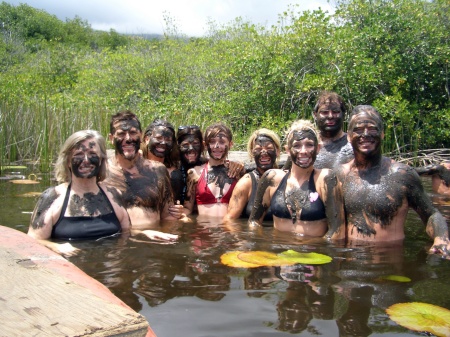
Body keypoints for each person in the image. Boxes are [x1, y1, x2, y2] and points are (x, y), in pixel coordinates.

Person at [336, 105, 450, 257]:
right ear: (349, 136)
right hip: (349, 264)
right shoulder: (339, 175)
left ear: (382, 134)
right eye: (358, 129)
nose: (365, 134)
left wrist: (441, 239)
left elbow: (431, 214)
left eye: (372, 128)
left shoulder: (402, 174)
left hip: (389, 262)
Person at [27, 130, 131, 256]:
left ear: (101, 160)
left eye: (92, 153)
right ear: (68, 161)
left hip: (107, 271)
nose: (86, 160)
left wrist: (146, 233)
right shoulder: (53, 198)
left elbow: (127, 233)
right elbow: (32, 241)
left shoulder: (114, 195)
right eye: (79, 154)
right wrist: (55, 246)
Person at [249, 120, 345, 240]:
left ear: (318, 148)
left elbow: (337, 232)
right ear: (287, 150)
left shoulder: (326, 179)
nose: (303, 151)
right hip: (278, 252)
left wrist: (319, 251)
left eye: (309, 144)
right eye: (297, 146)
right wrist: (262, 246)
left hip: (314, 253)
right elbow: (254, 222)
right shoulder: (272, 178)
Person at [104, 110, 185, 234]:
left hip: (152, 244)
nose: (128, 139)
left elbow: (168, 217)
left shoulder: (157, 171)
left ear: (141, 136)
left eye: (132, 133)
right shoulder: (102, 172)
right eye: (121, 134)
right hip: (117, 246)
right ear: (111, 138)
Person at [283, 91, 353, 171]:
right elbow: (287, 174)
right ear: (315, 114)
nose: (330, 116)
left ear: (343, 114)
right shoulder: (303, 145)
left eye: (335, 112)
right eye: (325, 112)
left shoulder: (353, 144)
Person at [224, 128, 281, 222]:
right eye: (258, 149)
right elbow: (229, 220)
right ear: (252, 152)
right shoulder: (246, 183)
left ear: (277, 151)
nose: (264, 152)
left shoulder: (287, 179)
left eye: (269, 148)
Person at [184, 122, 239, 218]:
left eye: (222, 142)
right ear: (205, 145)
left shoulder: (237, 171)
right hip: (203, 229)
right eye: (212, 142)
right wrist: (182, 217)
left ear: (230, 144)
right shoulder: (195, 173)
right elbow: (187, 208)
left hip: (228, 230)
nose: (216, 146)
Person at [142, 119, 183, 202]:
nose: (163, 143)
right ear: (147, 139)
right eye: (159, 138)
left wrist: (178, 209)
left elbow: (174, 203)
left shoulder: (174, 173)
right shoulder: (136, 167)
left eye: (168, 140)